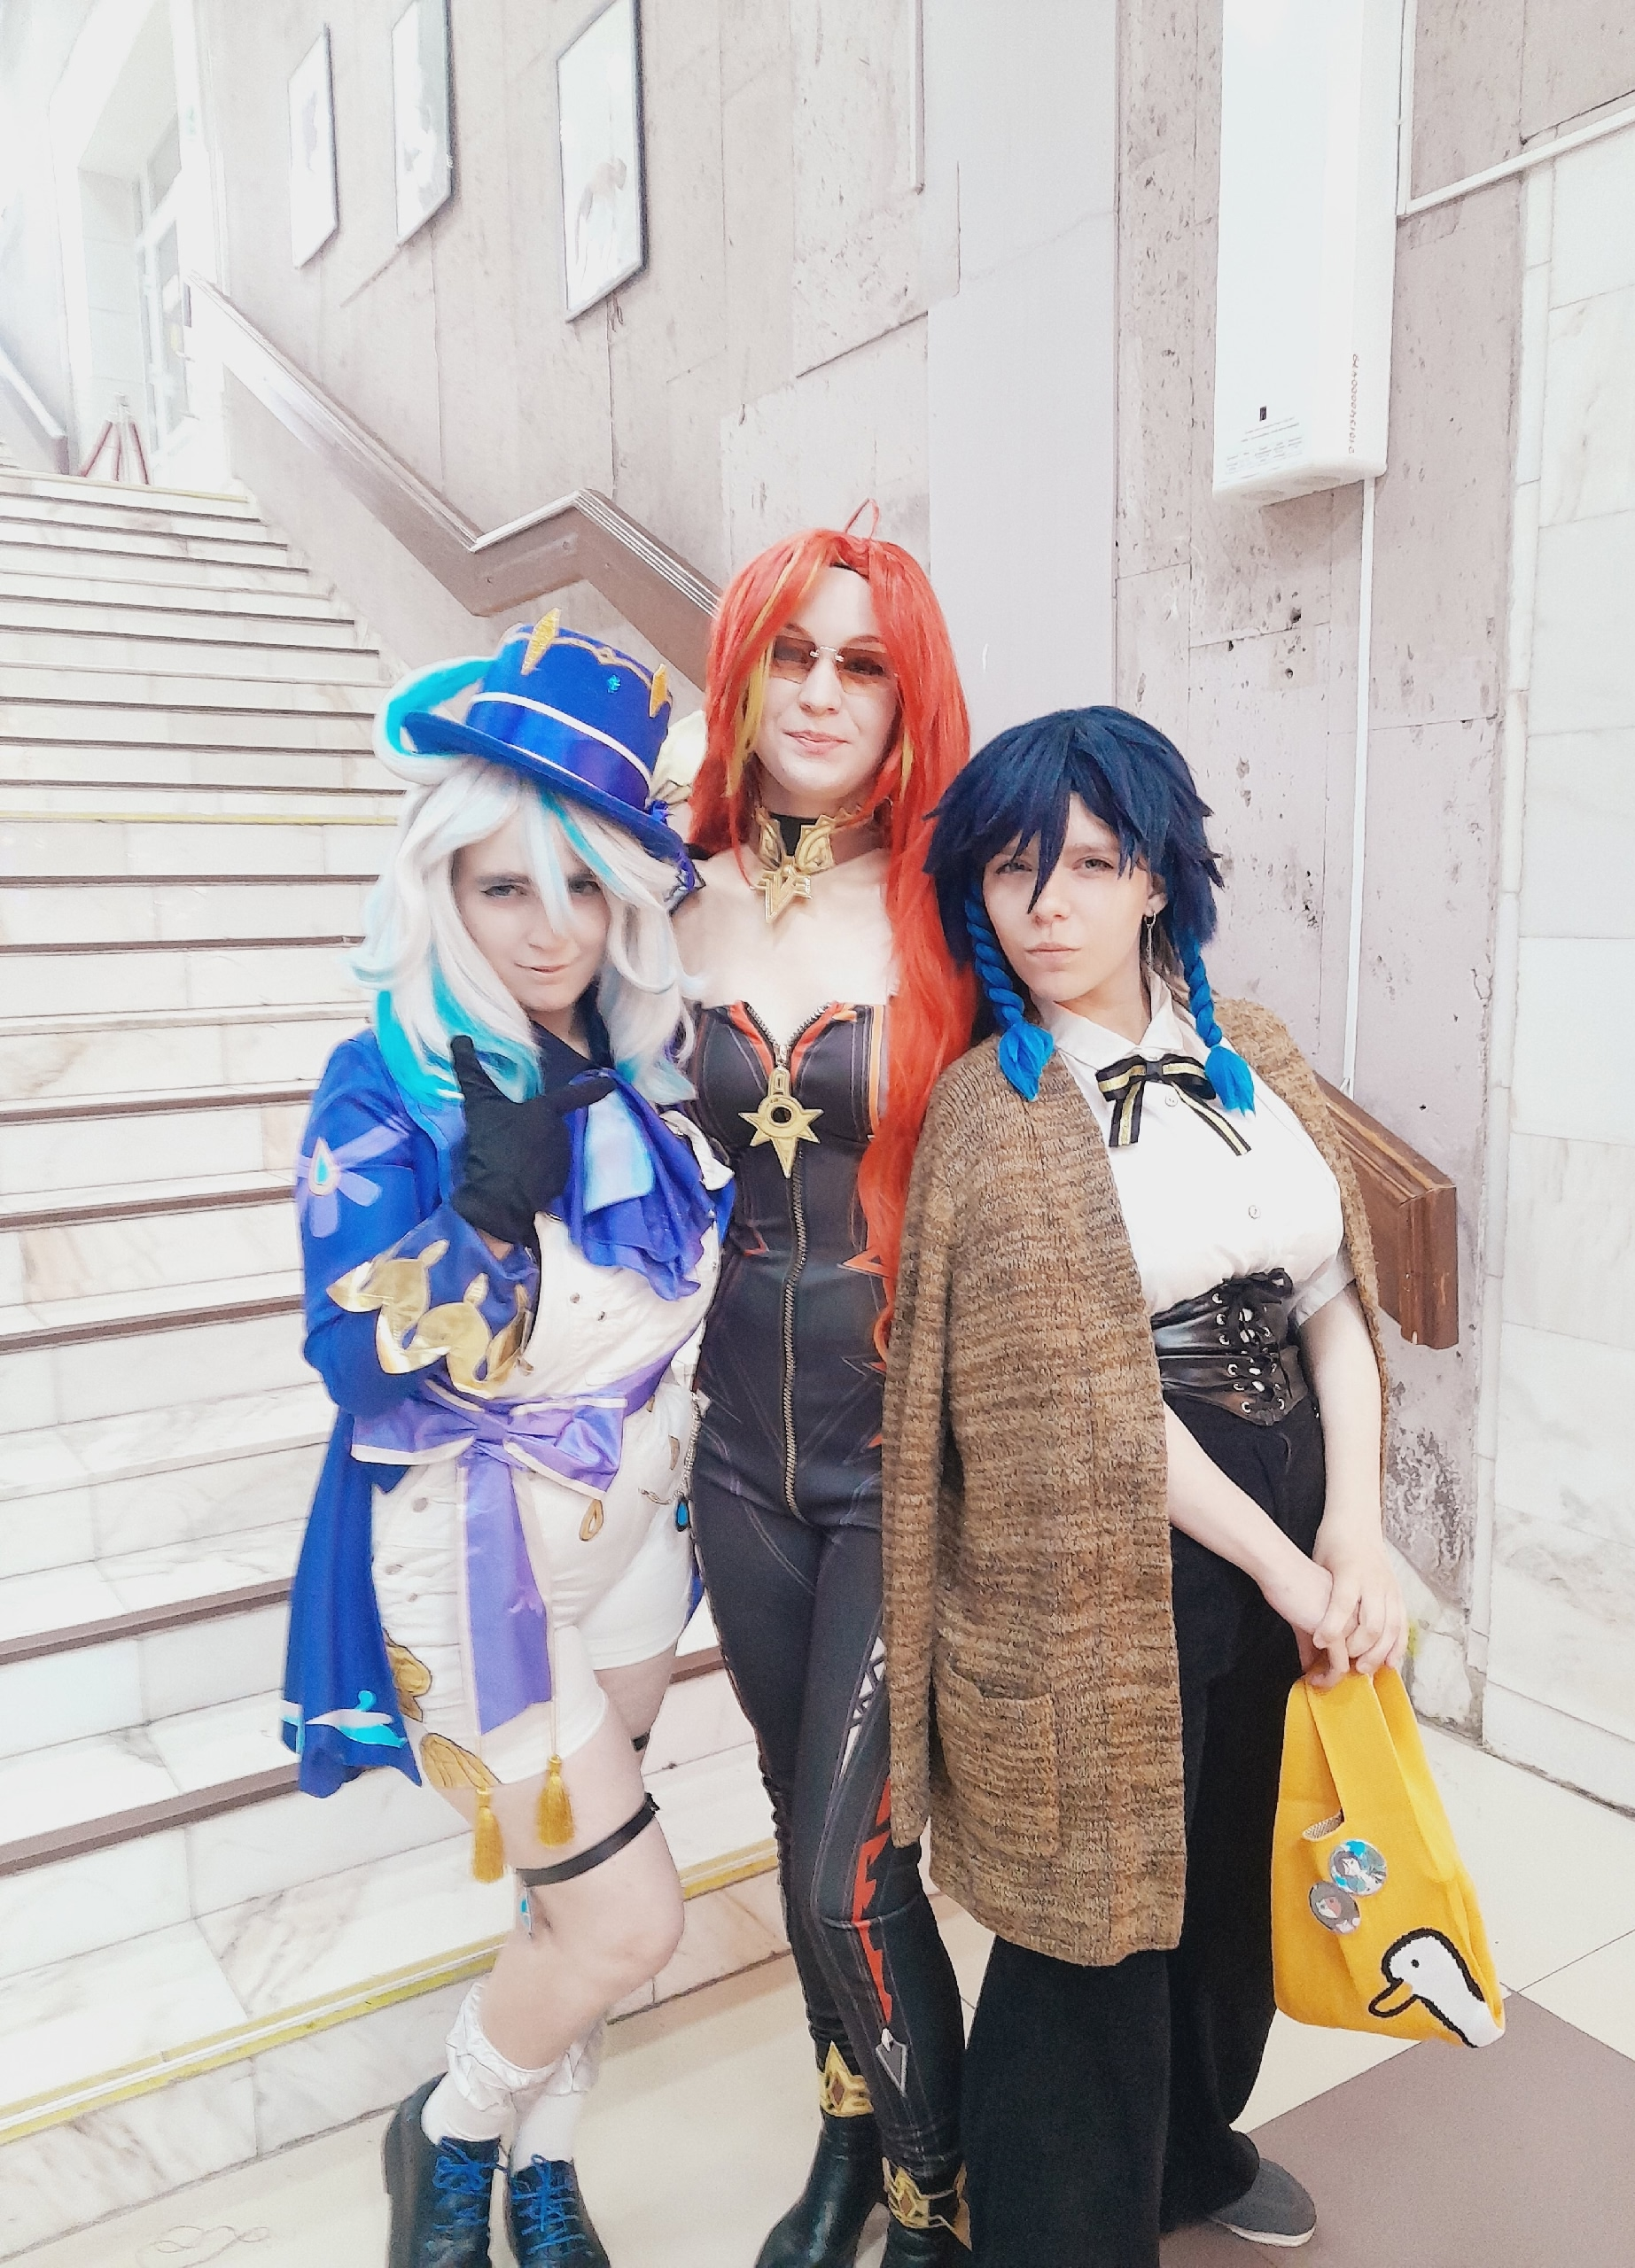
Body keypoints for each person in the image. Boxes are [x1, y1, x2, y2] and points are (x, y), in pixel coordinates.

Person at [883, 706, 1409, 2266]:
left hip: (1294, 1511)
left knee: (1244, 1861)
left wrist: (1357, 1529)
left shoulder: (1260, 1055)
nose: (1046, 906)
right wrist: (1286, 1568)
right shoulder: (996, 1112)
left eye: (1091, 865)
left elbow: (1335, 1305)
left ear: (1159, 878)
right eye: (1011, 870)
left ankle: (1191, 2152)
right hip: (1113, 1554)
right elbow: (1090, 1400)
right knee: (1094, 1917)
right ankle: (1056, 2231)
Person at [281, 617, 729, 2268]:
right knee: (628, 1913)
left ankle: (545, 2159)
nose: (550, 930)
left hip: (634, 1538)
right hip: (478, 1555)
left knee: (568, 1901)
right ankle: (455, 2125)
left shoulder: (640, 1068)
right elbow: (353, 1360)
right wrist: (481, 1211)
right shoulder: (383, 1084)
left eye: (584, 888)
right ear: (439, 890)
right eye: (503, 888)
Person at [673, 517, 978, 2266]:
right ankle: (850, 2139)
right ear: (742, 673)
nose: (820, 692)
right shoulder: (665, 901)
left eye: (862, 662)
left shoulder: (961, 913)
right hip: (736, 1452)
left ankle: (937, 2197)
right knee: (805, 1816)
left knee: (840, 1872)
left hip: (896, 1460)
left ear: (906, 698)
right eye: (792, 652)